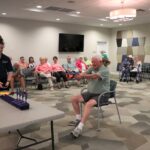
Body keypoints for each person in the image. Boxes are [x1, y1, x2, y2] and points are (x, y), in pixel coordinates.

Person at [70, 55, 110, 138]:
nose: (93, 64)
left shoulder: (104, 70)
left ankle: (79, 127)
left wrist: (82, 76)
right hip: (90, 92)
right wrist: (79, 76)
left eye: (94, 62)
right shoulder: (92, 67)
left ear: (100, 62)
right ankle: (78, 119)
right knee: (74, 99)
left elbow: (94, 76)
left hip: (102, 94)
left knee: (88, 104)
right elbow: (85, 73)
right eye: (92, 62)